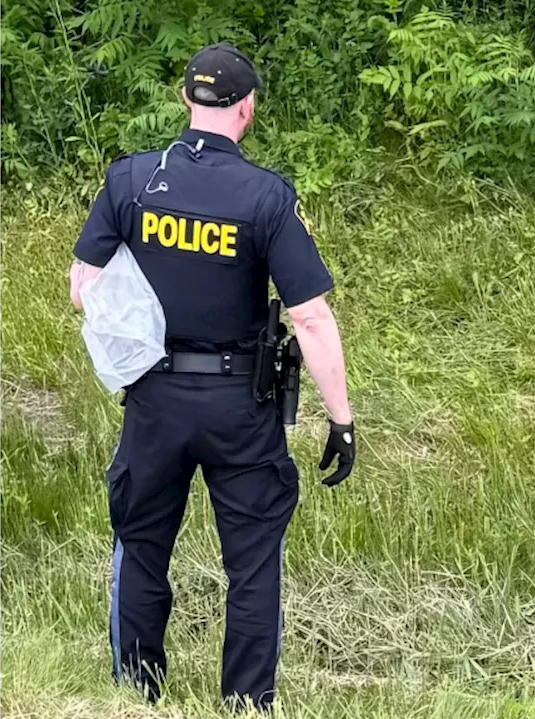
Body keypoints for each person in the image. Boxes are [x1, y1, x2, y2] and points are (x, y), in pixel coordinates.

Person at [68, 42, 356, 713]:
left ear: (184, 101)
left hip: (154, 396)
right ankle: (246, 704)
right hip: (240, 403)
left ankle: (137, 693)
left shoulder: (132, 180)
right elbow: (310, 317)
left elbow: (84, 287)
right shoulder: (265, 197)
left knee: (141, 547)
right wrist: (340, 419)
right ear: (247, 109)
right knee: (251, 562)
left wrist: (141, 334)